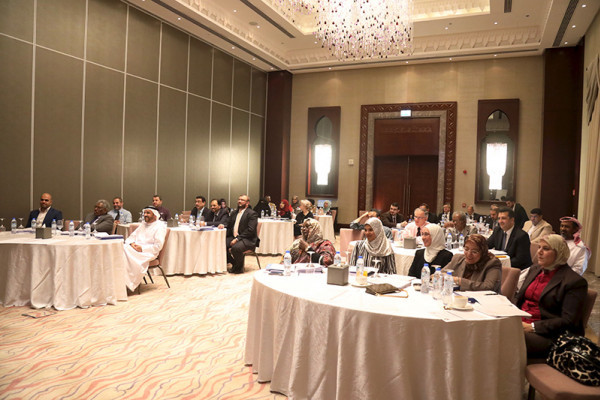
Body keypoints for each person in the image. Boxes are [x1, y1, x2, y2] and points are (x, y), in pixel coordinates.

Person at [514, 234, 588, 359]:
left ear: (559, 253)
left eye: (546, 249)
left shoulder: (574, 282)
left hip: (549, 335)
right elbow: (520, 299)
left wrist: (532, 327)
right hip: (521, 323)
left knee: (505, 335)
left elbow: (569, 321)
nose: (539, 252)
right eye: (539, 247)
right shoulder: (535, 269)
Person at [122, 206, 167, 291]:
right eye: (144, 213)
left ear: (155, 215)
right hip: (136, 249)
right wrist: (132, 244)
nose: (145, 215)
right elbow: (130, 238)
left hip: (148, 252)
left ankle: (128, 283)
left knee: (125, 252)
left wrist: (142, 248)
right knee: (122, 248)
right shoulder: (143, 225)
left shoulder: (160, 227)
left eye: (148, 213)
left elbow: (158, 246)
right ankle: (122, 281)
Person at [222, 194, 258, 274]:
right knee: (221, 245)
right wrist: (223, 225)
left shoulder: (252, 213)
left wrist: (237, 239)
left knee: (236, 248)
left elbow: (250, 230)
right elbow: (229, 224)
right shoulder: (234, 213)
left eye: (242, 200)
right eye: (239, 199)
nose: (239, 201)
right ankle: (235, 264)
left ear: (247, 203)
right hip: (234, 236)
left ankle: (239, 268)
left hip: (247, 239)